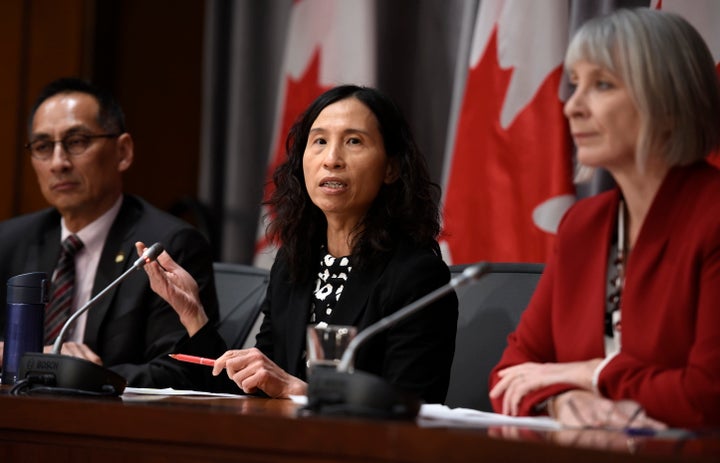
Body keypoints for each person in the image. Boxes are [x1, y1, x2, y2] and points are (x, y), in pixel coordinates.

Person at [137, 84, 458, 402]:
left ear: (391, 168)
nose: (331, 159)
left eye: (353, 141)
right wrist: (194, 315)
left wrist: (302, 393)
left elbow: (413, 408)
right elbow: (254, 390)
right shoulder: (294, 265)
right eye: (319, 141)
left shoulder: (416, 276)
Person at [488, 8, 720, 430]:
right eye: (575, 84)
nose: (572, 106)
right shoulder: (583, 225)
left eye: (602, 85)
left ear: (669, 103)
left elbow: (707, 396)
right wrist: (564, 402)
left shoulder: (712, 217)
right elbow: (511, 373)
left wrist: (589, 372)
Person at [0, 77, 219, 388]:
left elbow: (181, 371)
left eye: (76, 142)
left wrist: (78, 375)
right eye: (43, 147)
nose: (58, 162)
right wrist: (24, 356)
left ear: (123, 151)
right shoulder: (9, 242)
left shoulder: (168, 246)